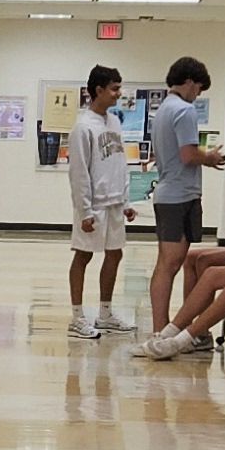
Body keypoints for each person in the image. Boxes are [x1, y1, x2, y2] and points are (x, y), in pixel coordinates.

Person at [143, 56, 225, 334]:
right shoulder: (184, 110)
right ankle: (162, 330)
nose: (198, 95)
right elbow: (188, 154)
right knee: (169, 264)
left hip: (170, 192)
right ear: (190, 82)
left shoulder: (163, 111)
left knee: (170, 263)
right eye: (199, 89)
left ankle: (169, 327)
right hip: (179, 196)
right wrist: (212, 157)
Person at [62, 67, 135, 337]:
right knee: (83, 255)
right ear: (98, 90)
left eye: (119, 87)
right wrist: (85, 210)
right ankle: (77, 317)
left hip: (115, 202)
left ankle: (105, 313)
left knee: (115, 253)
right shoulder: (83, 126)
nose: (119, 94)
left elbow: (119, 163)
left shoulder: (114, 123)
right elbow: (78, 172)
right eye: (114, 88)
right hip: (93, 205)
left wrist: (126, 200)